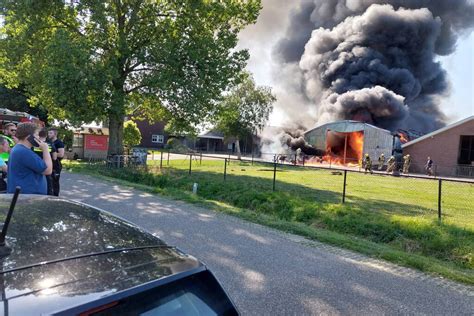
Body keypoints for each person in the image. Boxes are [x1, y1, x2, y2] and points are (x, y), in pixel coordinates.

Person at [7, 123, 52, 195]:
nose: (39, 138)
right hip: (28, 198)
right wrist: (45, 150)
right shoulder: (24, 151)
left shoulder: (19, 149)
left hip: (25, 196)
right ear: (29, 137)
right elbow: (48, 170)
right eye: (37, 135)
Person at [34, 129, 57, 195]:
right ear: (46, 136)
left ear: (38, 135)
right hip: (47, 166)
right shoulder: (50, 145)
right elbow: (55, 158)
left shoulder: (34, 145)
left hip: (36, 167)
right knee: (48, 185)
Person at [48, 128, 65, 196]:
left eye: (50, 133)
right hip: (50, 164)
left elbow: (61, 154)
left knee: (55, 182)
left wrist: (50, 153)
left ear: (55, 134)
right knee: (50, 181)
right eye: (48, 133)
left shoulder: (59, 143)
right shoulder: (49, 142)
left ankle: (55, 196)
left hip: (56, 165)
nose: (48, 134)